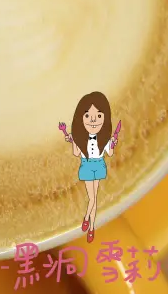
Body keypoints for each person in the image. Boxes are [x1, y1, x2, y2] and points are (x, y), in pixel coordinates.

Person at [62, 91, 119, 243]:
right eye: (87, 116)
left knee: (93, 198)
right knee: (93, 198)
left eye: (99, 116)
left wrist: (112, 142)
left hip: (98, 166)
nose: (93, 120)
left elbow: (111, 151)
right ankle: (90, 225)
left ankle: (88, 221)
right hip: (88, 166)